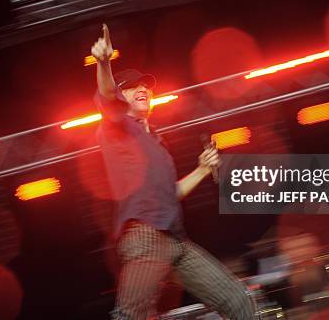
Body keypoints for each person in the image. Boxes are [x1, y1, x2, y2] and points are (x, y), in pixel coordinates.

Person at [91, 24, 255, 319]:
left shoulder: (157, 142)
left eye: (146, 86)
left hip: (177, 241)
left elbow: (172, 194)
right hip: (146, 237)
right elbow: (106, 93)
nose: (142, 89)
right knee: (130, 316)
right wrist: (104, 63)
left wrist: (203, 170)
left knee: (239, 302)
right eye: (131, 87)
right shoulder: (117, 128)